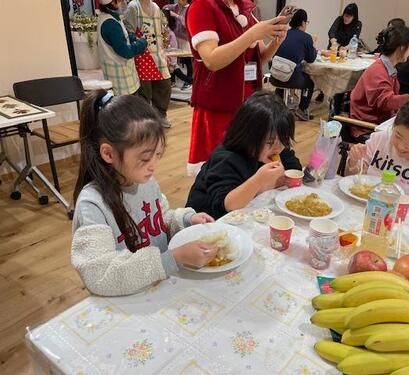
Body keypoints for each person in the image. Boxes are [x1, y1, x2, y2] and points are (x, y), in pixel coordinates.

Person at [71, 91, 217, 297]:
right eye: (146, 158)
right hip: (127, 299)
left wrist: (187, 219)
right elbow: (100, 276)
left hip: (160, 286)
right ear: (109, 153)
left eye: (158, 155)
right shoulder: (92, 205)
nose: (154, 166)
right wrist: (172, 258)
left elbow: (159, 222)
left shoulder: (145, 182)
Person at [185, 0, 288, 175]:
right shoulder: (202, 6)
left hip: (248, 105)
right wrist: (252, 35)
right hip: (219, 103)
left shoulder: (244, 10)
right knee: (220, 168)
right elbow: (211, 60)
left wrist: (276, 42)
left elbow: (259, 59)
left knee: (246, 166)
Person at [186, 91, 301, 219]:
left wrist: (267, 184)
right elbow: (226, 205)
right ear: (248, 136)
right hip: (205, 222)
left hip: (243, 215)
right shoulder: (226, 158)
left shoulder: (276, 147)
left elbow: (295, 169)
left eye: (283, 140)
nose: (278, 147)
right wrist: (260, 180)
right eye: (269, 142)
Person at [349, 25, 409, 140]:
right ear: (402, 48)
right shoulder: (378, 70)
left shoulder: (388, 67)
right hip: (368, 127)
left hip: (383, 123)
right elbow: (386, 102)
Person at [124, 0, 173, 126]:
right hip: (141, 54)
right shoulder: (133, 7)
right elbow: (129, 32)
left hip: (158, 53)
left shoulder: (156, 7)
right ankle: (144, 120)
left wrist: (164, 52)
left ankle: (160, 115)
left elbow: (160, 32)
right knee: (144, 90)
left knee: (164, 85)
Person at [270, 9, 317, 121]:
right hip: (291, 79)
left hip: (274, 76)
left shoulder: (284, 33)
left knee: (283, 76)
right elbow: (311, 59)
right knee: (309, 83)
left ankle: (278, 107)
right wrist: (313, 44)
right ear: (303, 23)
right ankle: (302, 110)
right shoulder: (306, 37)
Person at [96, 0, 147, 96]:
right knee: (127, 107)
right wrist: (142, 43)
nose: (124, 2)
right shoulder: (110, 23)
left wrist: (132, 38)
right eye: (120, 1)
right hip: (121, 77)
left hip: (120, 74)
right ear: (112, 3)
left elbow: (122, 37)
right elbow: (126, 51)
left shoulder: (109, 17)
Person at [163, 0, 193, 88]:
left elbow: (186, 23)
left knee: (188, 60)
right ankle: (172, 80)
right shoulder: (177, 6)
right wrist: (167, 9)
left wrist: (176, 15)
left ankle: (189, 81)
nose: (179, 1)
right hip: (176, 37)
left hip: (185, 38)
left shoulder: (190, 9)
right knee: (174, 59)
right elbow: (166, 7)